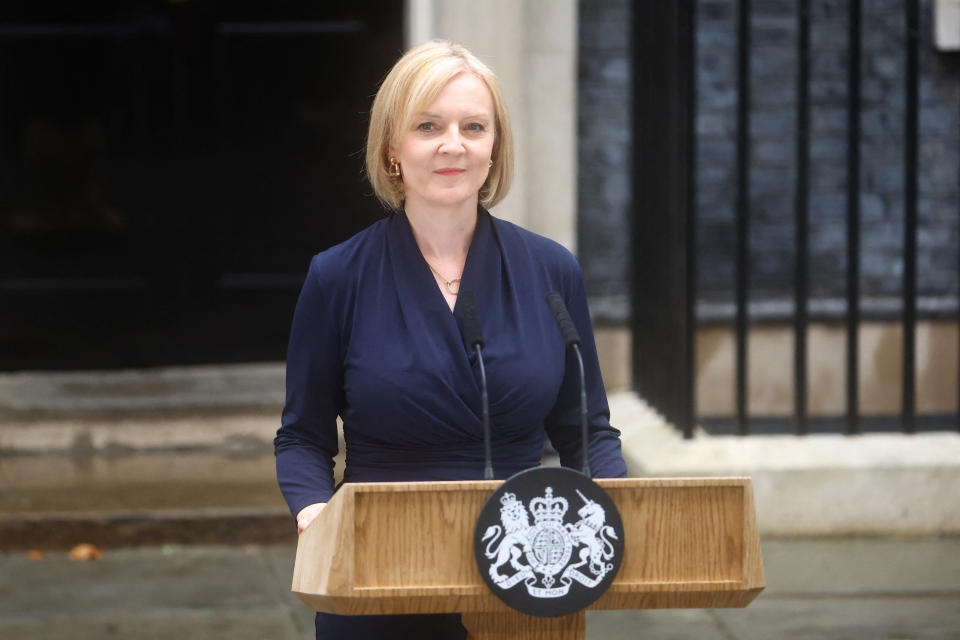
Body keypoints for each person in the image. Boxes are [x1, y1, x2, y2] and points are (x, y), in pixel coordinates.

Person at [274, 40, 627, 640]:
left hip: (527, 580)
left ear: (494, 147)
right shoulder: (338, 277)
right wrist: (317, 516)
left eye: (473, 127)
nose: (452, 145)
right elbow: (302, 437)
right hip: (379, 573)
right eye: (428, 126)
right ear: (392, 147)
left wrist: (621, 519)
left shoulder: (551, 272)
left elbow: (587, 432)